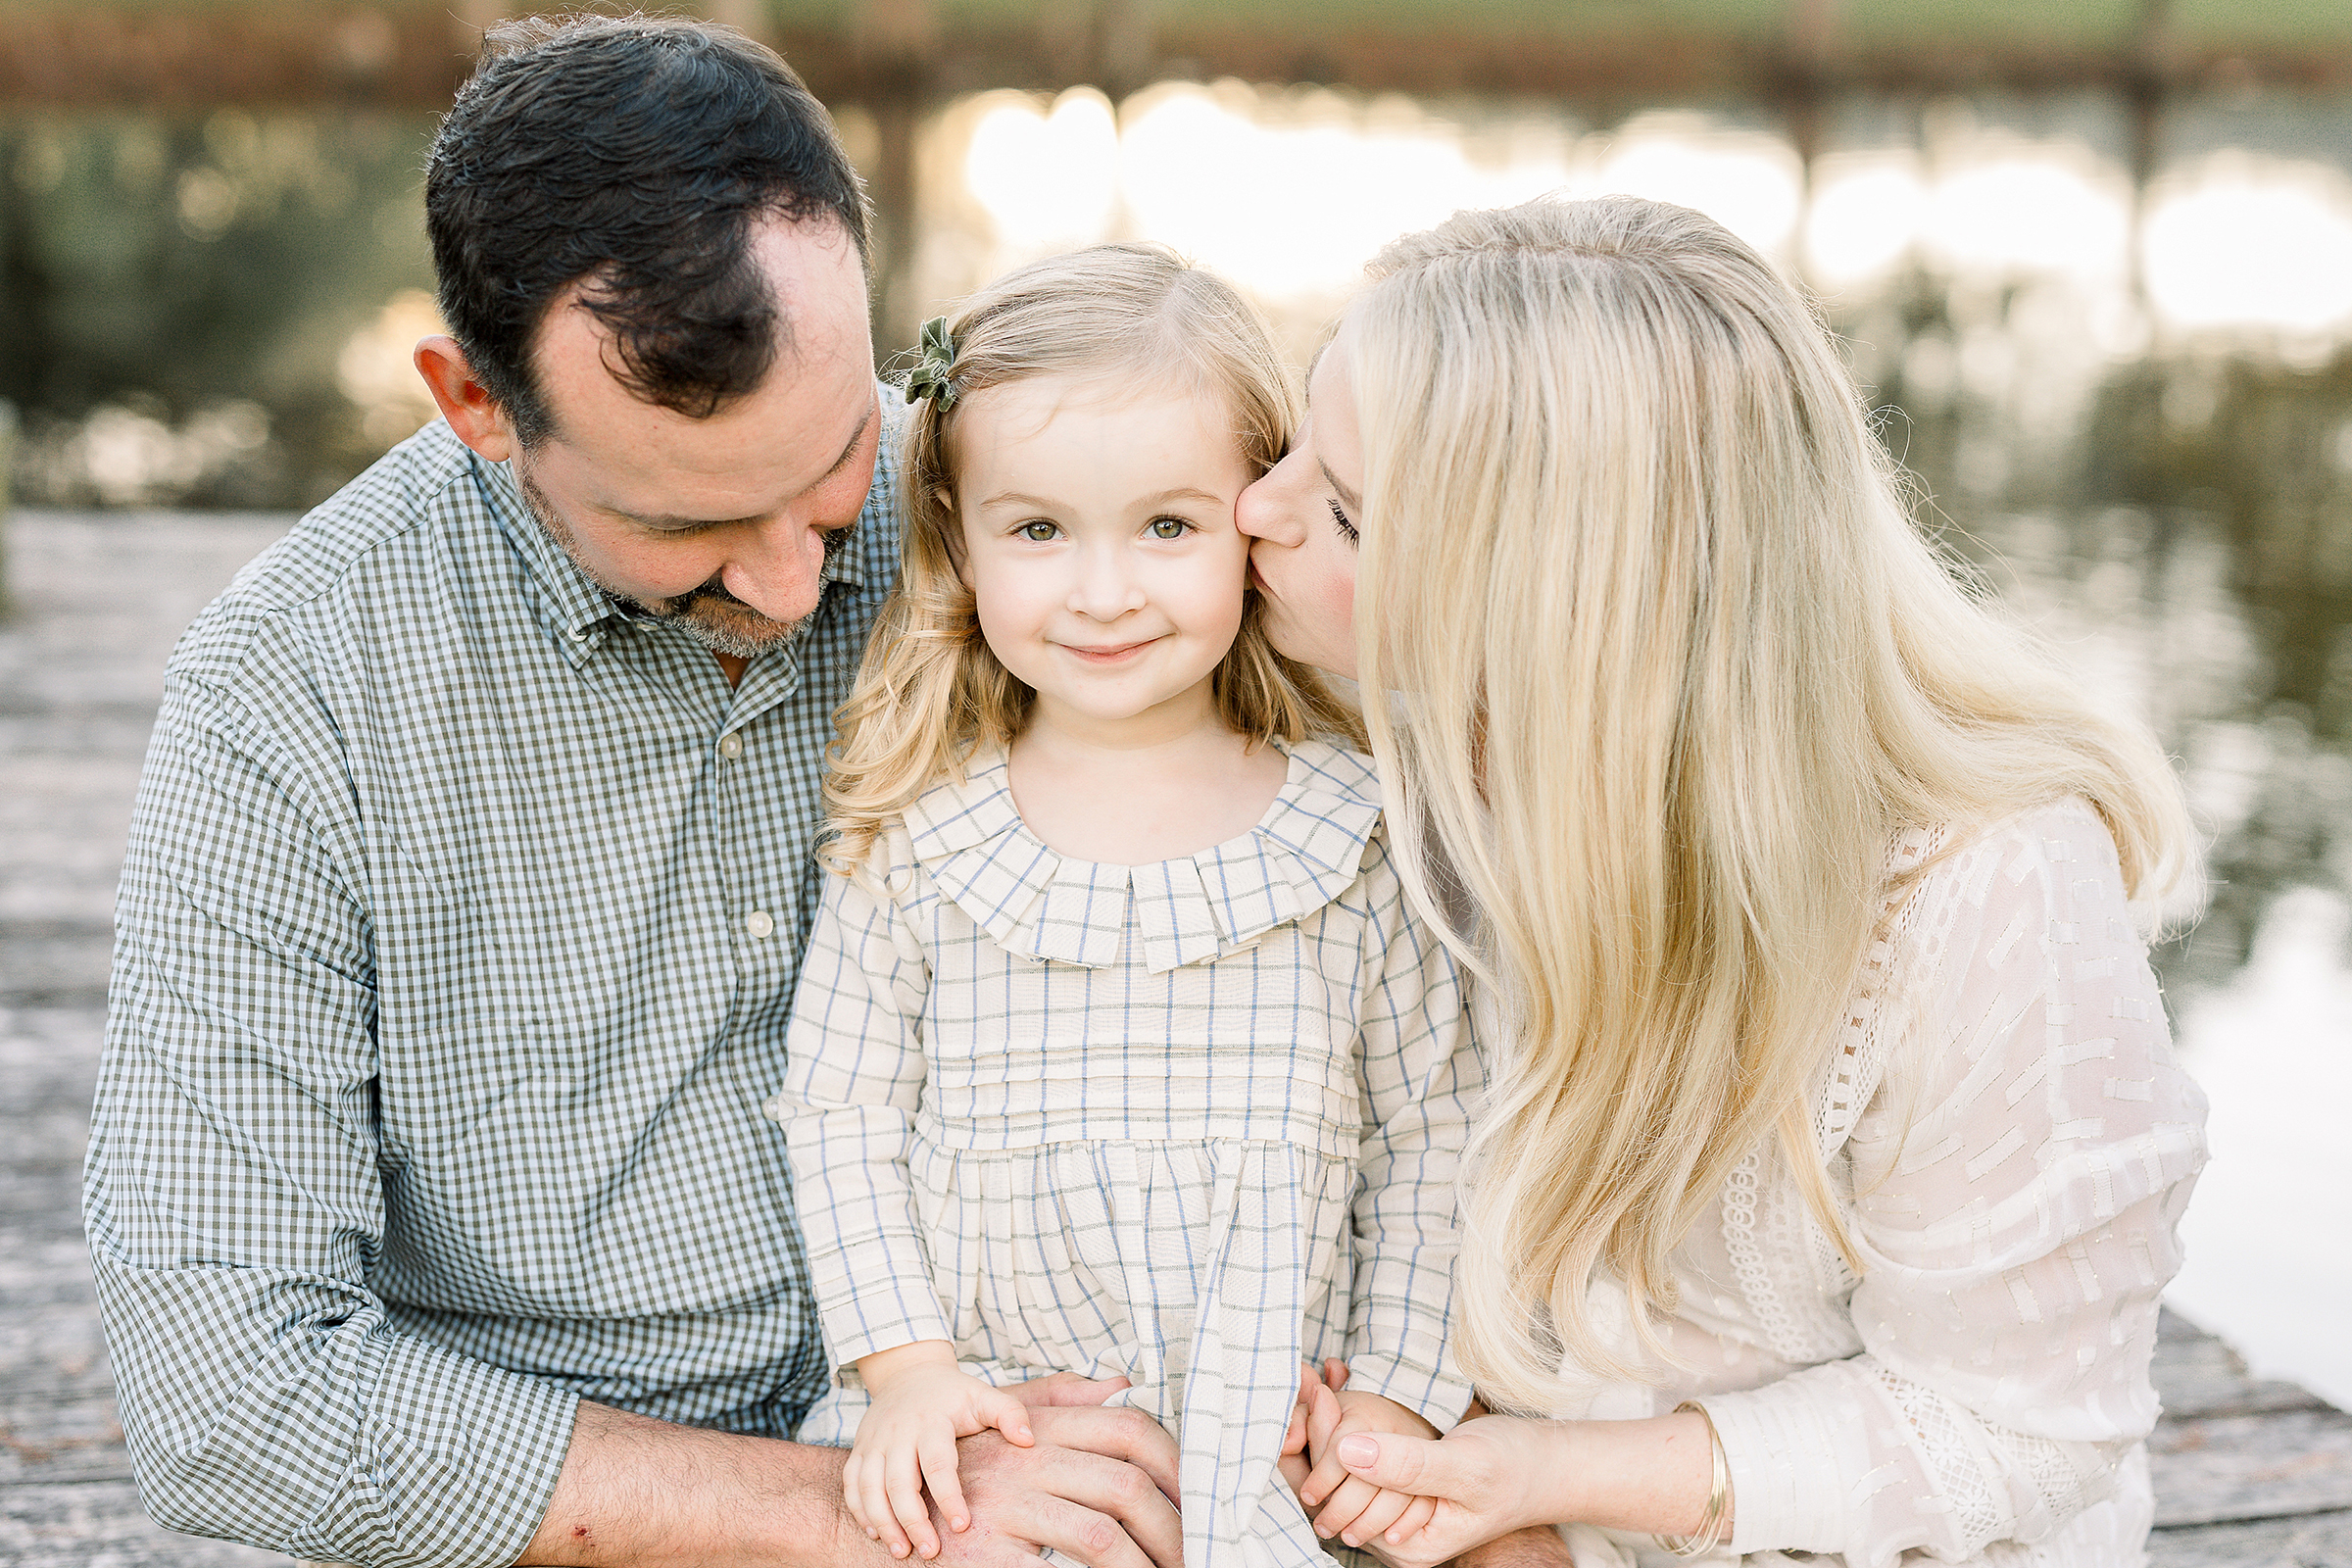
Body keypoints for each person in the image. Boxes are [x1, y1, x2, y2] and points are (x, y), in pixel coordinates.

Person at [82, 17, 1186, 1567]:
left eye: (836, 472)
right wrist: (863, 1519)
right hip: (603, 1526)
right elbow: (227, 1390)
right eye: (697, 525)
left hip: (1090, 1439)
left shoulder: (1033, 530)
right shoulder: (293, 687)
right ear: (476, 407)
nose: (802, 581)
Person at [1240, 194, 2209, 1568]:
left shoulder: (1987, 893)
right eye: (1292, 443)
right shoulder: (1364, 742)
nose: (1249, 509)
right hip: (1494, 1497)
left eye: (1338, 508)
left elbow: (2017, 1437)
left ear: (1548, 599)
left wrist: (1549, 1475)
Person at [765, 243, 1482, 1568]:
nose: (1104, 593)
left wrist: (1395, 1391)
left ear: (1253, 516)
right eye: (1038, 530)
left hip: (1272, 1451)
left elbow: (1434, 1143)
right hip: (997, 1453)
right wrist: (906, 1371)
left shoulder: (1355, 834)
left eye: (1167, 525)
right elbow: (842, 1115)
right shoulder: (921, 835)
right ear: (961, 546)